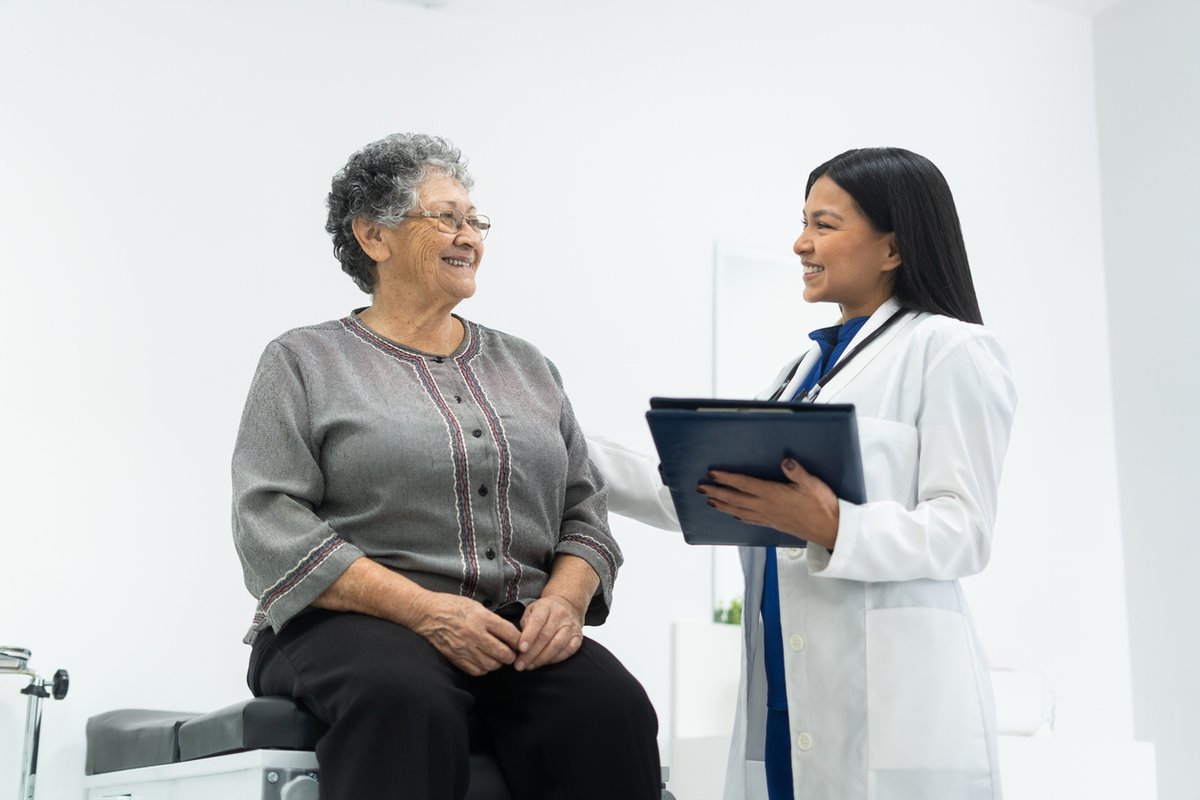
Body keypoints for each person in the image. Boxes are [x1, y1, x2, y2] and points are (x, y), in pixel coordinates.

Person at [231, 133, 661, 800]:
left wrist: (565, 600)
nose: (469, 236)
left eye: (475, 221)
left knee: (612, 709)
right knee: (407, 699)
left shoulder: (527, 366)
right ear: (375, 237)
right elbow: (269, 521)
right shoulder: (303, 362)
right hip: (346, 626)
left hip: (509, 627)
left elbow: (585, 511)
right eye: (447, 218)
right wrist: (425, 610)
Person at [590, 147, 1016, 800]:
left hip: (888, 701)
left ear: (893, 248)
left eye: (823, 224)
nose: (800, 243)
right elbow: (704, 494)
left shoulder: (950, 349)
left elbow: (964, 528)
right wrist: (557, 437)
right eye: (804, 222)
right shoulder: (800, 372)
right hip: (790, 688)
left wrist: (834, 524)